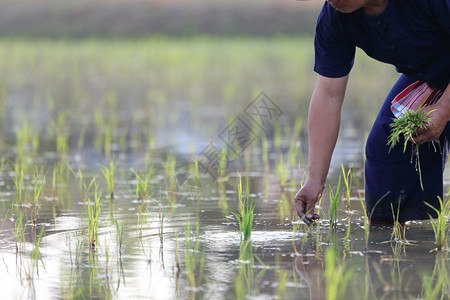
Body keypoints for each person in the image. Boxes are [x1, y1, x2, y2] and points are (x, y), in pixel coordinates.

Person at [294, 0, 450, 224]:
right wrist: (314, 179)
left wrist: (444, 109)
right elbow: (329, 95)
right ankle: (409, 245)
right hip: (430, 76)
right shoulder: (336, 17)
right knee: (388, 151)